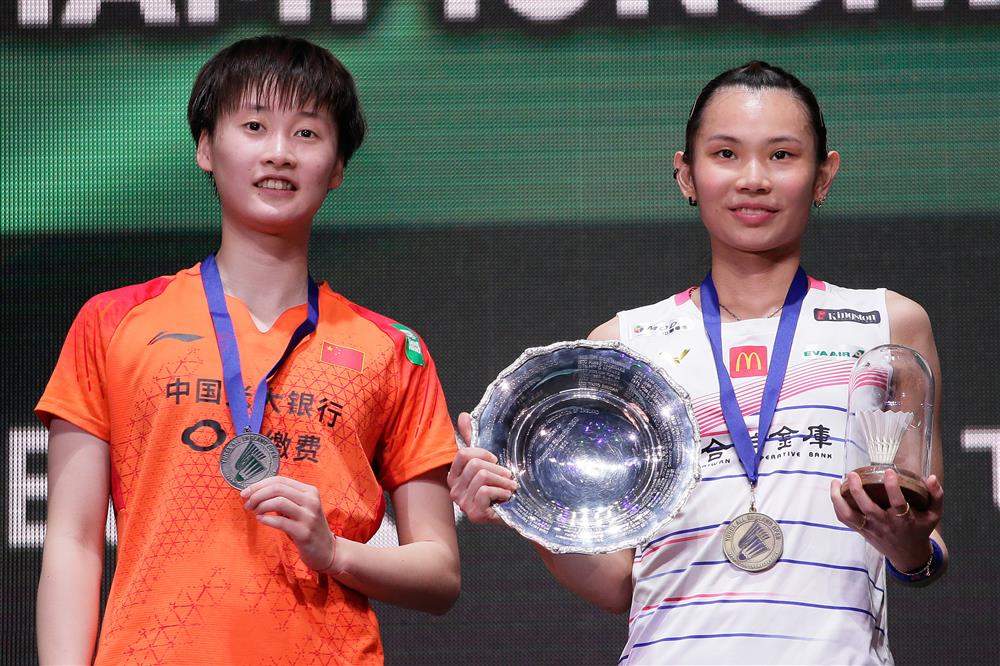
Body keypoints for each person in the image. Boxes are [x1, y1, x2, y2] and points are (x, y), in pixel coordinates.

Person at [448, 62, 947, 664]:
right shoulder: (626, 345)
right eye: (726, 154)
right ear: (686, 174)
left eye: (782, 155)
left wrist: (909, 543)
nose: (753, 179)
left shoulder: (888, 326)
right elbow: (618, 583)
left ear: (823, 175)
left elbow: (924, 549)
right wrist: (526, 509)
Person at [35, 35, 460, 665]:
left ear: (337, 168)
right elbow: (73, 542)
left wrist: (334, 551)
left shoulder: (392, 350)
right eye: (255, 126)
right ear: (206, 148)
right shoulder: (114, 322)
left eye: (307, 133)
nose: (279, 152)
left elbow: (439, 572)